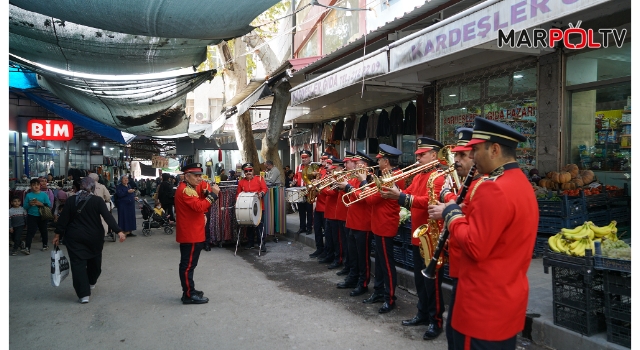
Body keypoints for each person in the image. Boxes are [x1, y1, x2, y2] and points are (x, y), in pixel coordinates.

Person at [428, 118, 537, 350]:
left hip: (481, 309)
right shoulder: (520, 182)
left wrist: (452, 214)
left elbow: (475, 246)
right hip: (506, 304)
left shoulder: (493, 187)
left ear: (495, 149)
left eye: (476, 149)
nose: (473, 156)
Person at [380, 137, 446, 341]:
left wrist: (402, 197)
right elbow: (408, 193)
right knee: (420, 280)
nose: (417, 158)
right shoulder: (420, 175)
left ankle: (436, 321)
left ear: (434, 155)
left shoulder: (439, 175)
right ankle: (422, 313)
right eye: (417, 155)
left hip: (432, 237)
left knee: (432, 283)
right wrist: (395, 192)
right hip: (419, 235)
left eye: (421, 155)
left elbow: (429, 201)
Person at [427, 127, 487, 350]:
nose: (456, 160)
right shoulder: (469, 183)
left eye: (462, 155)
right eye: (456, 155)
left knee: (460, 333)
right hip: (459, 262)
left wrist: (449, 209)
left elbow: (471, 227)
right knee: (455, 331)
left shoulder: (483, 186)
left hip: (469, 268)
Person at [52, 177, 126, 304]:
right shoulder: (97, 200)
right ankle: (91, 282)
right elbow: (107, 216)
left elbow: (63, 219)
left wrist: (58, 234)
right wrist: (118, 231)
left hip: (74, 238)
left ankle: (83, 295)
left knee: (78, 265)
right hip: (94, 238)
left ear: (80, 186)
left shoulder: (71, 200)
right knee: (95, 263)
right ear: (92, 187)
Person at [363, 144, 405, 314]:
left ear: (386, 161)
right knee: (380, 262)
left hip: (385, 224)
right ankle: (379, 292)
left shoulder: (392, 177)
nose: (377, 162)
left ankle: (390, 298)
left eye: (379, 159)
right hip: (379, 223)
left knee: (387, 264)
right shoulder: (386, 174)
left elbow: (371, 200)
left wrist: (363, 181)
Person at [174, 163, 220, 304]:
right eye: (196, 176)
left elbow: (200, 194)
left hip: (193, 232)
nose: (200, 178)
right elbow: (199, 206)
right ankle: (188, 294)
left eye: (200, 175)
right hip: (191, 234)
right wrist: (213, 195)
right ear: (187, 176)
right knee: (188, 266)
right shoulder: (186, 190)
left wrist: (207, 192)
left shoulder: (188, 187)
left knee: (189, 265)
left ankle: (189, 291)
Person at [336, 151, 375, 297]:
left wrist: (347, 187)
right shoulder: (354, 178)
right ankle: (352, 278)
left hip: (363, 222)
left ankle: (363, 283)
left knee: (362, 256)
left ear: (364, 166)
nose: (355, 166)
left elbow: (363, 197)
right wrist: (341, 187)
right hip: (352, 221)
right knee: (352, 254)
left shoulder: (369, 179)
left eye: (358, 164)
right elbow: (347, 197)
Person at [236, 163, 268, 252]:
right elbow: (238, 195)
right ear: (244, 172)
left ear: (253, 171)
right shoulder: (241, 182)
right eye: (246, 171)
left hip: (259, 207)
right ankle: (250, 243)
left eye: (250, 170)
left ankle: (261, 244)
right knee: (248, 226)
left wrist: (261, 193)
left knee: (259, 226)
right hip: (246, 208)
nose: (248, 172)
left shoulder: (259, 179)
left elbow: (265, 189)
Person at [23, 178, 52, 254]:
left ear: (40, 186)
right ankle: (27, 248)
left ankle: (45, 245)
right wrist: (29, 204)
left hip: (42, 216)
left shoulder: (44, 195)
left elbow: (49, 204)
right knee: (30, 232)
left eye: (37, 185)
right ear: (31, 186)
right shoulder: (28, 195)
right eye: (33, 185)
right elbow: (25, 206)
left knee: (43, 231)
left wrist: (41, 204)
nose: (36, 186)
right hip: (32, 216)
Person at [292, 150, 315, 234]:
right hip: (300, 191)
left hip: (309, 192)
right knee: (301, 211)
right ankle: (302, 227)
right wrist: (294, 181)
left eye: (305, 157)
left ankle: (309, 227)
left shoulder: (313, 167)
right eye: (302, 157)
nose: (303, 159)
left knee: (309, 210)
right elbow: (296, 177)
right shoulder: (299, 167)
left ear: (309, 158)